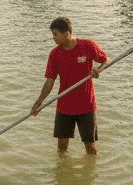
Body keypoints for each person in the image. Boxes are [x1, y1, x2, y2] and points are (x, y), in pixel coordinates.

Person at [31, 17, 108, 155]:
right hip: (64, 106)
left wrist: (99, 70)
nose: (53, 38)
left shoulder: (88, 46)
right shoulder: (55, 54)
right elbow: (49, 82)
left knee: (91, 148)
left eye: (55, 34)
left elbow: (105, 61)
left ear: (66, 34)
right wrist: (38, 103)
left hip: (86, 106)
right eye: (52, 34)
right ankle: (61, 174)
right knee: (61, 148)